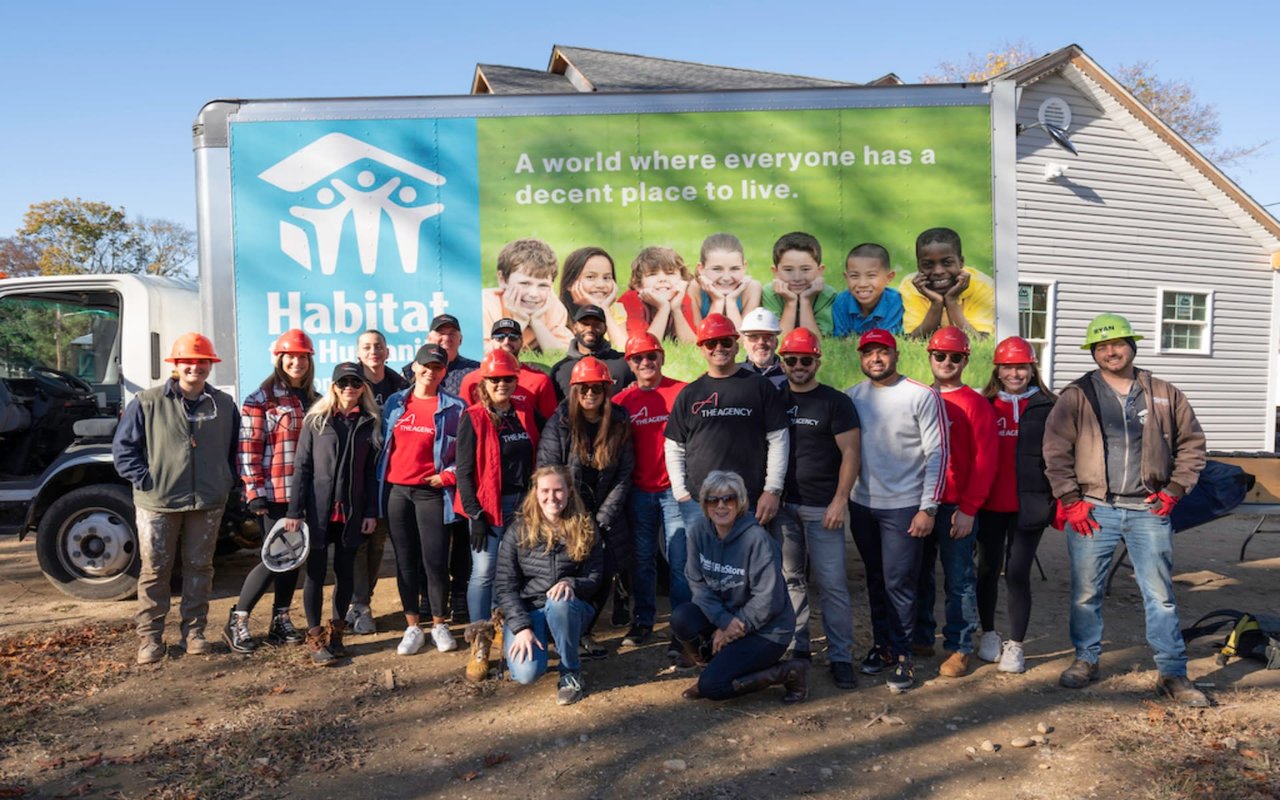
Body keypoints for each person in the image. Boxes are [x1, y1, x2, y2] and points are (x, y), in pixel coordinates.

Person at [1043, 313, 1209, 706]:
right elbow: (1054, 450)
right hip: (1094, 509)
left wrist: (1174, 489)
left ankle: (1172, 672)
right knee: (1086, 592)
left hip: (1148, 510)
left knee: (1160, 595)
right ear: (1093, 353)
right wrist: (1070, 500)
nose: (1110, 352)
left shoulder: (1164, 393)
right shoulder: (1077, 395)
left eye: (1117, 344)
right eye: (1101, 347)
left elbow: (1192, 446)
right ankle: (1086, 659)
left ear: (1132, 347)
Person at [113, 332, 240, 665]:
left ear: (210, 366)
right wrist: (147, 480)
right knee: (156, 570)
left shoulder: (223, 405)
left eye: (201, 362)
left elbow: (234, 450)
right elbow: (124, 450)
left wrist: (226, 480)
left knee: (200, 567)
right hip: (158, 502)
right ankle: (151, 639)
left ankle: (194, 633)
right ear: (176, 365)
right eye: (187, 361)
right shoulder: (147, 402)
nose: (194, 367)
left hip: (208, 501)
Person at [845, 328, 947, 692]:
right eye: (868, 352)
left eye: (882, 352)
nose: (876, 358)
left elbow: (937, 453)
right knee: (875, 579)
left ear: (895, 354)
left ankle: (905, 656)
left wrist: (928, 508)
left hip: (904, 507)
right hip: (863, 505)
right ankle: (883, 646)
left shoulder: (921, 395)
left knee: (900, 583)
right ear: (861, 358)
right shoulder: (852, 397)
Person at [670, 471, 806, 703]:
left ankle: (789, 671)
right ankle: (714, 667)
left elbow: (768, 600)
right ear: (704, 504)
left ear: (740, 503)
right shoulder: (699, 532)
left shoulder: (758, 540)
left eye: (729, 499)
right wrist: (723, 621)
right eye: (713, 500)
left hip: (767, 630)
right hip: (728, 616)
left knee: (713, 688)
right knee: (682, 618)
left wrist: (731, 628)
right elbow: (697, 582)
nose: (720, 506)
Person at [224, 329, 319, 654]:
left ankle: (280, 618)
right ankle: (237, 619)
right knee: (272, 559)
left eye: (303, 356)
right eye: (291, 356)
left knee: (294, 559)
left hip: (304, 494)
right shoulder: (261, 399)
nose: (297, 362)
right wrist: (254, 492)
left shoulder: (315, 399)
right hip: (275, 493)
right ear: (280, 359)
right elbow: (248, 449)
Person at [775, 328, 861, 689]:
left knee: (832, 585)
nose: (798, 366)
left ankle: (840, 656)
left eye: (805, 360)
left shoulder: (835, 402)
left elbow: (851, 453)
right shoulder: (774, 398)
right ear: (783, 362)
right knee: (791, 580)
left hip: (823, 508)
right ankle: (799, 648)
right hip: (783, 508)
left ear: (816, 362)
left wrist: (840, 500)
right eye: (791, 360)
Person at [913, 327, 997, 679]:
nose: (946, 362)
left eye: (955, 357)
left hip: (955, 508)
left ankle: (958, 646)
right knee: (917, 575)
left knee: (959, 580)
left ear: (965, 360)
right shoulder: (918, 397)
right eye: (940, 355)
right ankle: (920, 636)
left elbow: (985, 460)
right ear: (929, 357)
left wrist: (969, 508)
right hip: (920, 504)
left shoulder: (976, 404)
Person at [536, 356, 634, 659]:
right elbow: (549, 468)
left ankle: (585, 632)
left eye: (596, 388)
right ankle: (563, 630)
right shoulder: (561, 421)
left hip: (605, 511)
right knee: (568, 569)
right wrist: (570, 515)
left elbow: (624, 473)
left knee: (603, 572)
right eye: (584, 388)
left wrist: (603, 517)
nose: (590, 394)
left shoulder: (619, 420)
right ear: (574, 391)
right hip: (568, 509)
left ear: (606, 390)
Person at [285, 363, 381, 666]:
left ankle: (337, 634)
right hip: (317, 511)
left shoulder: (369, 422)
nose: (349, 388)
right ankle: (314, 636)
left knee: (345, 573)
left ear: (363, 387)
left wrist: (369, 512)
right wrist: (294, 511)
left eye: (355, 382)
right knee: (314, 574)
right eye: (343, 383)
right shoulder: (316, 420)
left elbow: (370, 474)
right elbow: (302, 468)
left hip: (351, 512)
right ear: (334, 386)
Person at [664, 313, 789, 534]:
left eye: (725, 341)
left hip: (749, 502)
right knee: (700, 566)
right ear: (701, 348)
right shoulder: (690, 393)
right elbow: (674, 446)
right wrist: (681, 493)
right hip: (698, 503)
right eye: (711, 343)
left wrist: (772, 490)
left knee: (749, 566)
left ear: (736, 345)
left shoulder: (760, 387)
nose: (719, 348)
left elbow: (779, 439)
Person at [975, 336, 1056, 673]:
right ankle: (989, 634)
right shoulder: (985, 403)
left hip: (1030, 504)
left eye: (1021, 366)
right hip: (990, 503)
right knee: (988, 570)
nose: (1015, 372)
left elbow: (1063, 454)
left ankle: (1017, 644)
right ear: (998, 369)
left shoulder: (1050, 405)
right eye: (1008, 366)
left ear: (1032, 368)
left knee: (1018, 573)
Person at [379, 343, 465, 656]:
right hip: (398, 492)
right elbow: (383, 445)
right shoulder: (395, 402)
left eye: (437, 368)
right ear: (415, 367)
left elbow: (465, 452)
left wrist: (449, 475)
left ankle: (439, 624)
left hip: (432, 492)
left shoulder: (455, 407)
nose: (430, 372)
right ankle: (413, 627)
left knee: (436, 560)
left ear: (444, 372)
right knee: (405, 562)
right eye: (425, 366)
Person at [495, 466, 603, 706]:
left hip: (570, 610)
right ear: (535, 492)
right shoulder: (517, 531)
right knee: (527, 674)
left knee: (560, 601)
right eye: (545, 490)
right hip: (530, 610)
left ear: (569, 492)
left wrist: (571, 582)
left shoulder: (585, 527)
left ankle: (570, 672)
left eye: (558, 490)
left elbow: (595, 577)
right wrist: (522, 627)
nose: (552, 497)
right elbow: (505, 587)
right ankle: (525, 640)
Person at [613, 333, 689, 654]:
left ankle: (684, 626)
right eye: (638, 358)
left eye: (651, 356)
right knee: (642, 560)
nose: (646, 362)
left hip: (676, 490)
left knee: (679, 559)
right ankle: (643, 620)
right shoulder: (621, 402)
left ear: (662, 357)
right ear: (629, 364)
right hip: (639, 491)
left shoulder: (682, 392)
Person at [455, 349, 540, 627]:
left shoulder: (525, 412)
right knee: (483, 571)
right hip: (489, 507)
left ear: (516, 380)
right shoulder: (474, 416)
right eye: (495, 379)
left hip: (523, 505)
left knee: (512, 570)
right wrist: (475, 514)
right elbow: (464, 471)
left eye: (507, 378)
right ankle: (479, 633)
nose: (501, 384)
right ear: (484, 382)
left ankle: (502, 623)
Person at [348, 329, 406, 635]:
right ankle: (358, 605)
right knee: (358, 542)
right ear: (358, 352)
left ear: (387, 352)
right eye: (367, 347)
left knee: (377, 541)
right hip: (356, 475)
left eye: (378, 346)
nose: (374, 351)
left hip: (389, 476)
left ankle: (362, 602)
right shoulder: (348, 381)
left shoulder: (399, 385)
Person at [900, 227, 995, 339]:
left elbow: (978, 340)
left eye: (947, 263)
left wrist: (951, 300)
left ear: (961, 262)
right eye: (928, 264)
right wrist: (936, 303)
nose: (938, 271)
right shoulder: (910, 286)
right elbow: (914, 340)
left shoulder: (983, 285)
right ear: (918, 266)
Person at [482, 238, 574, 353]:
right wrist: (519, 322)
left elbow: (563, 354)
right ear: (502, 279)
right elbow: (484, 353)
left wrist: (537, 322)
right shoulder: (487, 305)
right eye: (524, 283)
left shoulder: (552, 307)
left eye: (543, 286)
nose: (533, 294)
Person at [458, 318, 558, 424]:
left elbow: (550, 425)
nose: (506, 342)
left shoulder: (540, 380)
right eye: (499, 337)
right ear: (491, 341)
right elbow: (463, 422)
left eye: (513, 337)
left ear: (522, 342)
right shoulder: (471, 380)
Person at [548, 304, 634, 401]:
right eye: (585, 324)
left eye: (596, 324)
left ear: (605, 328)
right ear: (574, 328)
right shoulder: (560, 369)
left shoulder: (624, 363)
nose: (590, 329)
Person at [760, 231, 837, 337]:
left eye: (805, 269)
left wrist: (806, 301)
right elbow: (778, 339)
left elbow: (814, 340)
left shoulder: (827, 294)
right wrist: (790, 302)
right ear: (775, 271)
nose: (797, 278)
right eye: (788, 270)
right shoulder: (770, 292)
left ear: (820, 270)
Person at [618, 246, 698, 344]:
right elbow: (644, 345)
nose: (662, 279)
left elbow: (692, 345)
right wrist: (663, 308)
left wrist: (676, 309)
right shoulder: (630, 300)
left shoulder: (681, 298)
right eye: (652, 274)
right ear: (638, 285)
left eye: (670, 273)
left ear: (682, 280)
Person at [559, 246, 629, 347]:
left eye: (607, 278)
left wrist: (604, 310)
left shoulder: (614, 310)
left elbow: (624, 348)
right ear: (570, 283)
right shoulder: (559, 312)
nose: (601, 285)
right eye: (590, 277)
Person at [687, 233, 762, 327]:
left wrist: (731, 301)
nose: (726, 278)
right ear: (701, 268)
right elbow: (703, 338)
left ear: (744, 267)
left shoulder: (752, 288)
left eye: (734, 269)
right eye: (717, 269)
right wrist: (717, 301)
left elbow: (743, 339)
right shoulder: (694, 288)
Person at [832, 243, 904, 337]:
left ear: (889, 277)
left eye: (871, 275)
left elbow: (884, 339)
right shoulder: (841, 302)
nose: (862, 284)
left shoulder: (895, 302)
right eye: (854, 276)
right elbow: (840, 340)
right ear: (846, 277)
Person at [738, 307, 787, 389]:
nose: (761, 342)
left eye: (767, 337)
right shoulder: (733, 374)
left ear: (776, 343)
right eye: (753, 337)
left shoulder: (790, 376)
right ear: (744, 343)